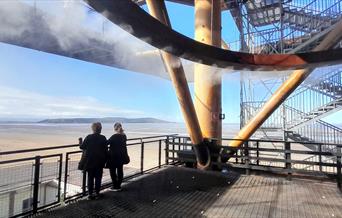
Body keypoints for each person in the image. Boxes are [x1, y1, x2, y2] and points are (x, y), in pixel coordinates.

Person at [80, 122, 108, 199]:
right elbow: (106, 150)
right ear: (100, 129)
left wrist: (80, 142)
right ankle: (97, 194)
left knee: (90, 178)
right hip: (100, 161)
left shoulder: (89, 137)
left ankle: (90, 194)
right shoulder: (103, 138)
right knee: (98, 178)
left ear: (93, 129)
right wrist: (105, 160)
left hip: (90, 161)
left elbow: (82, 147)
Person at [107, 122, 128, 191]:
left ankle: (115, 186)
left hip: (113, 156)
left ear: (115, 128)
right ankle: (118, 185)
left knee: (112, 171)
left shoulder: (114, 136)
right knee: (120, 170)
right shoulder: (124, 136)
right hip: (121, 156)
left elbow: (106, 143)